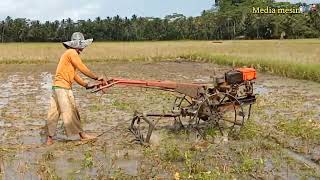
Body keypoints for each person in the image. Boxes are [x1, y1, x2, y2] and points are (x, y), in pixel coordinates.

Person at [46, 32, 102, 145]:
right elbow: (82, 68)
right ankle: (82, 135)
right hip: (63, 88)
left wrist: (86, 85)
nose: (82, 50)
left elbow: (74, 75)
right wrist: (96, 77)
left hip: (56, 87)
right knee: (72, 111)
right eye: (81, 47)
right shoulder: (72, 52)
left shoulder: (67, 54)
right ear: (76, 45)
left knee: (54, 113)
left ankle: (49, 139)